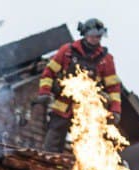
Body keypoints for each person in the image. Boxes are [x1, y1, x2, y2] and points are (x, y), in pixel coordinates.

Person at [36, 18, 123, 153]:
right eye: (94, 36)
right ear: (85, 34)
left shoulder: (106, 59)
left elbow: (114, 88)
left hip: (88, 111)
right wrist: (44, 92)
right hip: (63, 106)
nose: (96, 39)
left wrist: (115, 110)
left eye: (99, 36)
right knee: (52, 145)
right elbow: (49, 73)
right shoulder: (67, 51)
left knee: (88, 148)